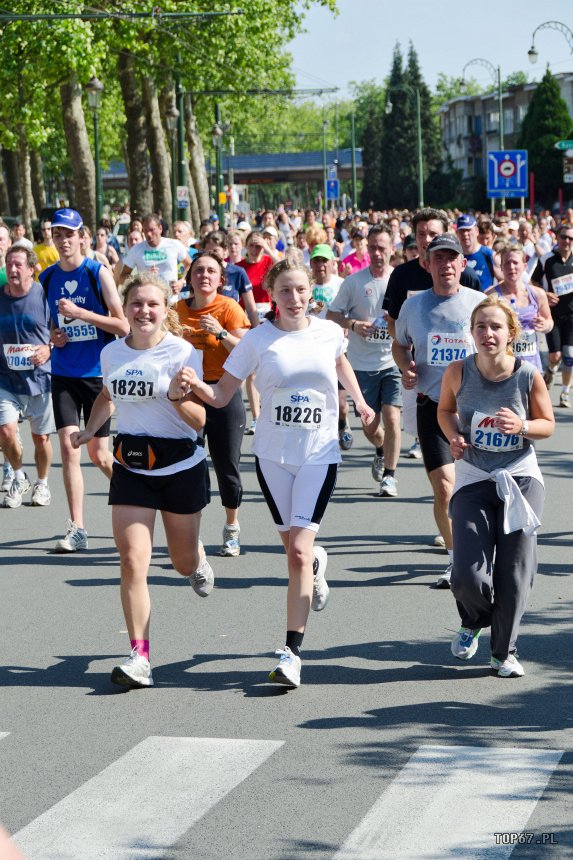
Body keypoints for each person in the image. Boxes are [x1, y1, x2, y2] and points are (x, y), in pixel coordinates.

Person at [176, 258, 374, 688]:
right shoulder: (256, 340)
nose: (295, 298)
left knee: (298, 551)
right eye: (285, 290)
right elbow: (223, 393)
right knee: (296, 552)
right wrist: (193, 384)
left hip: (318, 454)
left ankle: (291, 653)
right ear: (272, 294)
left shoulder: (328, 332)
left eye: (301, 290)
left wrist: (358, 401)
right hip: (272, 456)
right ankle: (318, 566)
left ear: (311, 293)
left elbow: (340, 363)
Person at [70, 272, 211, 689]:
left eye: (152, 304)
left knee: (181, 562)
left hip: (180, 465)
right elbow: (107, 394)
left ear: (165, 309)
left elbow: (200, 420)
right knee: (132, 560)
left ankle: (197, 559)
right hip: (132, 465)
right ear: (125, 308)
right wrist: (90, 430)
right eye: (136, 304)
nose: (143, 311)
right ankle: (140, 656)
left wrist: (174, 398)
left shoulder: (182, 352)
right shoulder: (113, 353)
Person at [437, 296, 554, 677]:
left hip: (519, 477)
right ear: (471, 333)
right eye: (481, 327)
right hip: (473, 476)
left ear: (510, 333)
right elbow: (444, 410)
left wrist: (521, 427)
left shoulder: (527, 375)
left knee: (515, 570)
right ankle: (474, 619)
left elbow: (547, 424)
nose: (488, 333)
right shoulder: (458, 371)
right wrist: (453, 436)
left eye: (496, 327)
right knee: (468, 574)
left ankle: (503, 652)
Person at [392, 233, 485, 588]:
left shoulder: (479, 303)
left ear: (463, 264)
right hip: (432, 407)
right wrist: (406, 366)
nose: (446, 265)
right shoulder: (413, 307)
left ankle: (484, 548)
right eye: (439, 259)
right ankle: (455, 559)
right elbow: (400, 346)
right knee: (445, 488)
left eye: (452, 258)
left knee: (477, 488)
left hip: (476, 410)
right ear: (426, 264)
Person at [40, 208, 129, 552]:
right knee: (68, 447)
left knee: (100, 455)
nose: (63, 241)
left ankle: (135, 494)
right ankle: (77, 526)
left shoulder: (97, 272)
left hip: (97, 375)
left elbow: (122, 325)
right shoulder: (47, 277)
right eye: (58, 234)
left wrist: (82, 314)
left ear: (83, 237)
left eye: (69, 234)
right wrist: (54, 336)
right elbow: (52, 325)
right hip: (63, 373)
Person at [177, 252, 250, 557]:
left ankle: (231, 527)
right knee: (187, 466)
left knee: (226, 465)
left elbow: (248, 351)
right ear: (189, 277)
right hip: (189, 393)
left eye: (211, 271)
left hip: (223, 390)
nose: (204, 275)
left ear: (221, 279)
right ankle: (192, 534)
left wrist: (219, 333)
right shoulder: (176, 309)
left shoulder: (229, 307)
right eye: (198, 271)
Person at [328, 226, 402, 495]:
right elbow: (332, 315)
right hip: (361, 364)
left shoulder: (400, 279)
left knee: (393, 418)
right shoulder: (354, 282)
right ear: (365, 249)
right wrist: (354, 324)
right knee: (370, 426)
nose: (377, 253)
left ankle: (390, 476)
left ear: (392, 249)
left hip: (393, 361)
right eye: (372, 247)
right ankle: (381, 448)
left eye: (383, 247)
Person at [0, 246, 55, 508]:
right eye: (9, 264)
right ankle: (19, 475)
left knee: (40, 438)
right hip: (5, 378)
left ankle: (42, 483)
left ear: (31, 270)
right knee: (7, 431)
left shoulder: (44, 296)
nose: (12, 269)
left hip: (40, 378)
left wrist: (49, 349)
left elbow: (59, 332)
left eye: (18, 265)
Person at [486, 245, 553, 372]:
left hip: (531, 366)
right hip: (501, 367)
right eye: (507, 263)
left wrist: (544, 325)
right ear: (501, 268)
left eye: (515, 262)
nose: (511, 267)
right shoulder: (490, 295)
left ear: (524, 266)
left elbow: (549, 322)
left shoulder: (537, 294)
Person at [531, 224, 573, 407]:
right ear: (557, 238)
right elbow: (533, 281)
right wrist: (545, 295)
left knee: (569, 355)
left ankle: (565, 393)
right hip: (553, 316)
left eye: (571, 238)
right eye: (564, 237)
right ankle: (549, 370)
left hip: (572, 316)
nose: (567, 241)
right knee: (555, 356)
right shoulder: (547, 259)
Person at [117, 213, 191, 302]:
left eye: (152, 230)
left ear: (160, 228)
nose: (148, 234)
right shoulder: (136, 250)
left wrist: (181, 282)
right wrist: (142, 277)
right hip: (148, 303)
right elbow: (122, 277)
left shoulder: (174, 245)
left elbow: (190, 264)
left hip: (172, 301)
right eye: (145, 230)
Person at [456, 213, 502, 290]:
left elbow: (504, 280)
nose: (465, 234)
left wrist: (491, 291)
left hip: (484, 300)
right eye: (462, 230)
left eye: (468, 230)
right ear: (457, 233)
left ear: (477, 231)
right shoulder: (454, 256)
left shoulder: (490, 255)